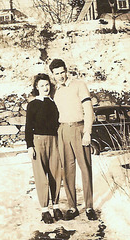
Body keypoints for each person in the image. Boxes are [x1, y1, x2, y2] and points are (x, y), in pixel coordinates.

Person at [49, 59, 97, 221]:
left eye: (62, 72)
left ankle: (89, 206)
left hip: (79, 128)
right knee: (67, 170)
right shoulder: (56, 91)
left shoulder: (79, 85)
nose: (60, 76)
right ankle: (72, 207)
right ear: (53, 75)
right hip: (63, 130)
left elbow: (88, 110)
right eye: (56, 74)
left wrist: (87, 132)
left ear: (66, 70)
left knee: (85, 167)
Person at [25, 73, 63, 224]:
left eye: (47, 84)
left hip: (54, 141)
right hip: (38, 141)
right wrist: (30, 146)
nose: (45, 88)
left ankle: (56, 206)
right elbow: (28, 127)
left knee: (56, 174)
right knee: (41, 177)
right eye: (42, 85)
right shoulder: (33, 104)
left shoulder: (54, 103)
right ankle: (45, 210)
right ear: (36, 87)